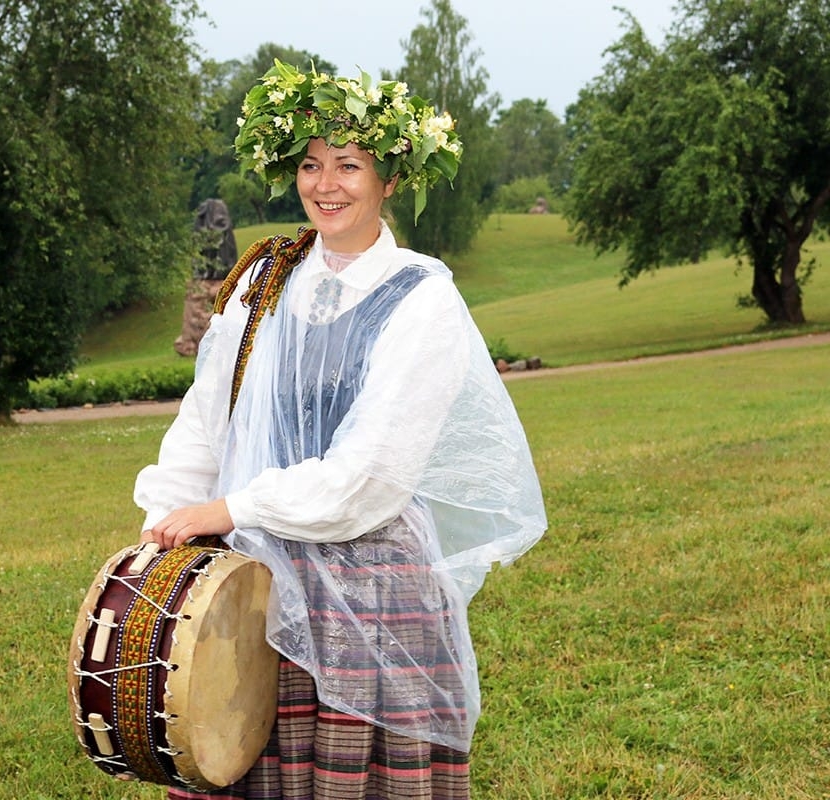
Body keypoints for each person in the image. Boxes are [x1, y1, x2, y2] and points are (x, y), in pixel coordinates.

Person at [133, 61, 547, 800]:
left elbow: (371, 475)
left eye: (350, 165)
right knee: (242, 756)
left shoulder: (420, 297)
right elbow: (206, 419)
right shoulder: (262, 281)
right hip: (249, 580)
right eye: (311, 164)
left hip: (372, 589)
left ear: (390, 180)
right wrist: (163, 522)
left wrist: (232, 510)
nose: (326, 184)